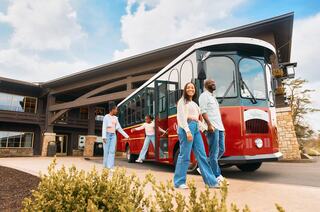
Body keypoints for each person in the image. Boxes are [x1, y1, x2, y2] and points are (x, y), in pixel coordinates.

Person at [174, 82, 219, 189]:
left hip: (195, 128)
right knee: (184, 155)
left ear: (194, 90)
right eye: (188, 87)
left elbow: (197, 120)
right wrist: (187, 131)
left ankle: (211, 182)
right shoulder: (182, 101)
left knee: (202, 155)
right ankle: (179, 182)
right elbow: (181, 117)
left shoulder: (194, 104)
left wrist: (206, 128)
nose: (191, 89)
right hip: (186, 128)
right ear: (185, 90)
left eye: (192, 87)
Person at [199, 79, 228, 185]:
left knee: (222, 150)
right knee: (214, 152)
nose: (214, 84)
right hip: (212, 128)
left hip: (219, 128)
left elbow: (217, 115)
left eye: (214, 83)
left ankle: (204, 166)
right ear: (206, 85)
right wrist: (209, 125)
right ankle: (217, 176)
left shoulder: (213, 97)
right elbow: (203, 111)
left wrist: (223, 129)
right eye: (211, 83)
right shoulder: (203, 96)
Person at [102, 104, 129, 170]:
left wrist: (126, 136)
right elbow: (104, 127)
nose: (117, 111)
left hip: (113, 135)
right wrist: (104, 137)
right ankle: (105, 166)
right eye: (116, 109)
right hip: (107, 135)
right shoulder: (106, 117)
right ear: (112, 109)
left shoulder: (115, 118)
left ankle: (110, 167)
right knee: (106, 151)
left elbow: (119, 128)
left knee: (112, 151)